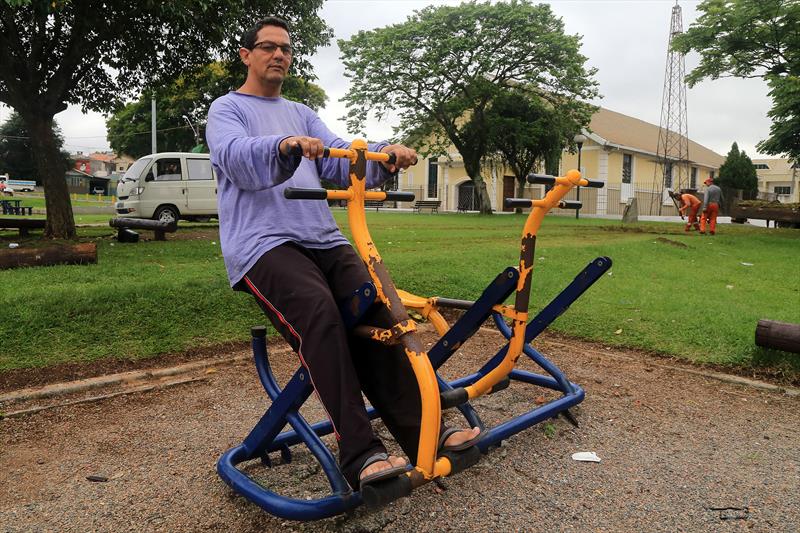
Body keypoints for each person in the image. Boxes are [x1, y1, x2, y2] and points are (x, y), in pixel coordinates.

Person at [206, 17, 480, 491]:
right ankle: (361, 453)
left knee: (379, 315)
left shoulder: (301, 112)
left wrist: (383, 155)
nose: (278, 55)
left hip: (322, 238)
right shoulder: (227, 109)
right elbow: (236, 157)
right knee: (321, 314)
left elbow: (339, 156)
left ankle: (429, 434)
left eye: (285, 49)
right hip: (263, 244)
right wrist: (285, 145)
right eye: (268, 47)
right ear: (246, 55)